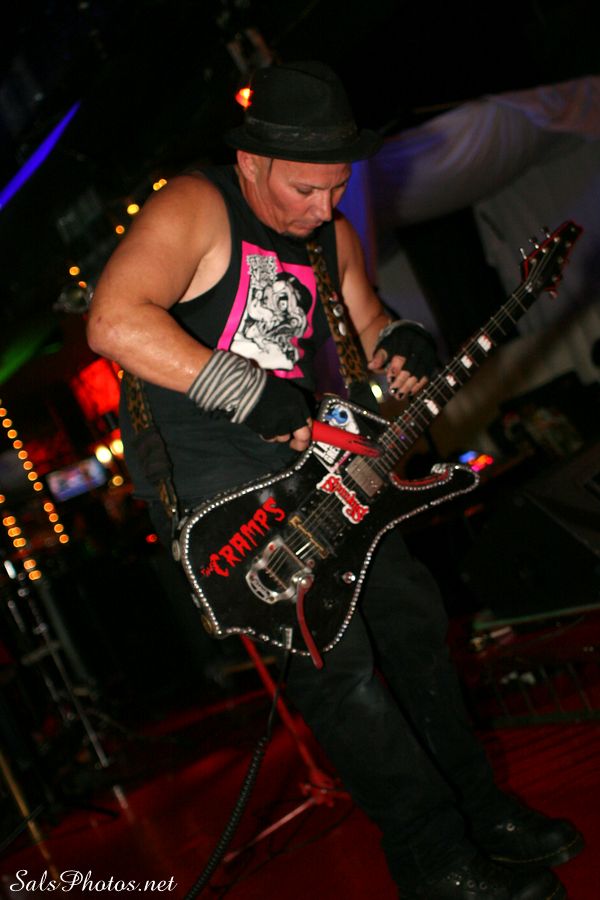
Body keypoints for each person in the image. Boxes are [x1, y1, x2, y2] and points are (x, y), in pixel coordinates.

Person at [87, 61, 583, 899]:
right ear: (252, 163)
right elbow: (112, 321)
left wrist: (402, 340)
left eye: (338, 187)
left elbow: (367, 325)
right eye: (305, 189)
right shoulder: (197, 205)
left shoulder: (330, 236)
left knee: (413, 623)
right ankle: (434, 860)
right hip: (229, 493)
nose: (323, 208)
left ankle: (481, 811)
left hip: (321, 472)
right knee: (341, 669)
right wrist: (245, 391)